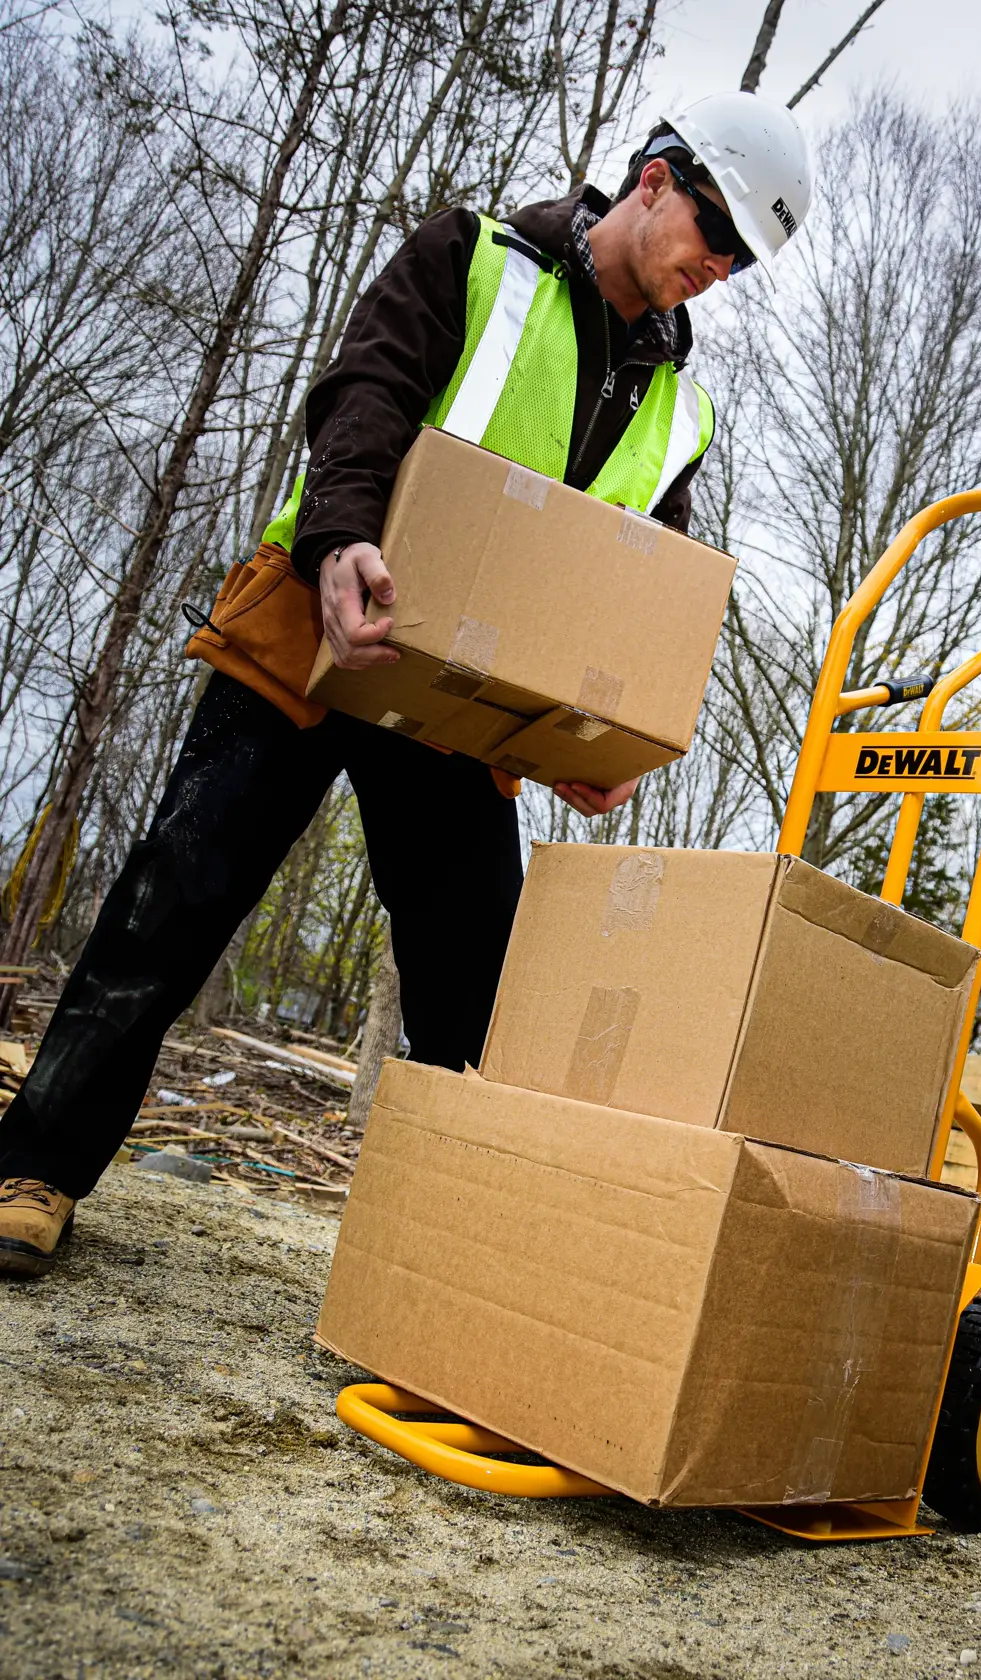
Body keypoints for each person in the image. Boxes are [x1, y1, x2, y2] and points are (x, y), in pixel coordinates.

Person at [0, 92, 812, 1277]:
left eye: (742, 258)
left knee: (477, 991)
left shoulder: (678, 406)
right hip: (319, 628)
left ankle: (442, 1257)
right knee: (167, 908)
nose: (721, 267)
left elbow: (631, 585)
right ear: (654, 179)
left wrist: (589, 742)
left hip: (456, 711)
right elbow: (362, 394)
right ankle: (33, 1168)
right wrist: (339, 543)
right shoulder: (472, 258)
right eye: (717, 230)